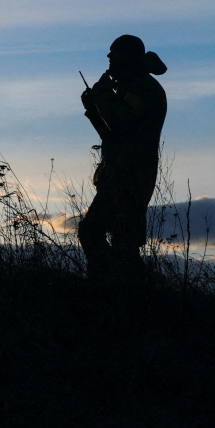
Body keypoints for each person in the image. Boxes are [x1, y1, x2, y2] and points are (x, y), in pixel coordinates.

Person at [78, 35, 167, 280]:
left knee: (105, 237)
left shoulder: (144, 88)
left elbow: (120, 123)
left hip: (130, 178)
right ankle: (117, 289)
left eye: (113, 52)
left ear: (127, 57)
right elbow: (112, 135)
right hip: (120, 176)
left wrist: (104, 93)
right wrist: (93, 110)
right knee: (120, 243)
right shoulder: (133, 87)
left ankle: (112, 289)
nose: (109, 58)